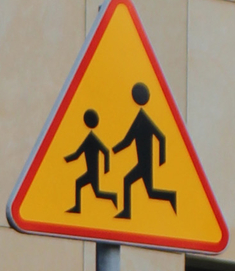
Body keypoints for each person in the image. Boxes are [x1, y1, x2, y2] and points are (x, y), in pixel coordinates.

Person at [115, 79, 178, 220]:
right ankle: (170, 197)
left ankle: (126, 211)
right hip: (143, 162)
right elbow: (127, 141)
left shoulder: (143, 120)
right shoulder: (139, 120)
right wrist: (114, 150)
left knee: (128, 181)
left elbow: (161, 137)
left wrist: (162, 158)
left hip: (145, 163)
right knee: (149, 192)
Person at [64, 107, 115, 216]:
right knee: (92, 190)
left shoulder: (92, 139)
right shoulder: (88, 139)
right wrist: (67, 159)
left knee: (94, 191)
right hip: (91, 171)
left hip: (93, 172)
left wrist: (106, 168)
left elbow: (105, 151)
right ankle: (78, 207)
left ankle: (113, 197)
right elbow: (77, 154)